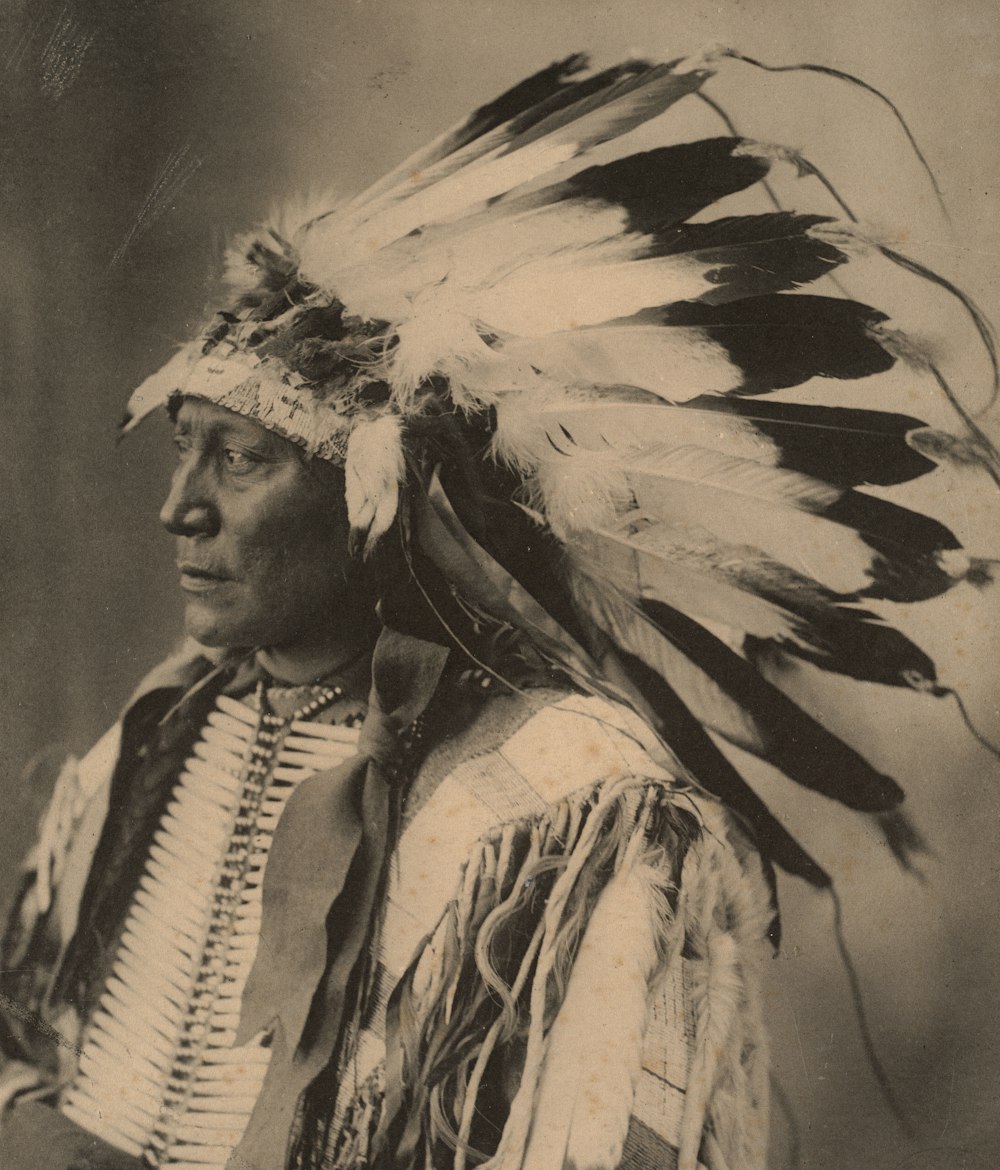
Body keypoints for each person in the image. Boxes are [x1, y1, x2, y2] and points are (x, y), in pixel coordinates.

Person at [0, 49, 994, 1170]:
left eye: (240, 459)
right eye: (184, 451)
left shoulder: (567, 812)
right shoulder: (149, 738)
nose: (180, 510)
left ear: (372, 495)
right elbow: (36, 1042)